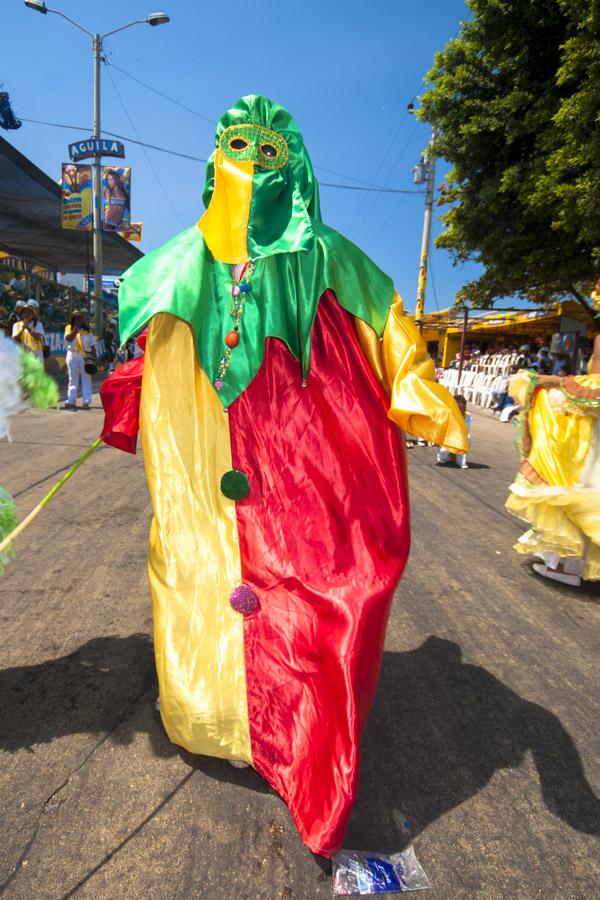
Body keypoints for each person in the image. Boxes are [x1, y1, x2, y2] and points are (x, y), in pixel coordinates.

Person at [97, 95, 468, 859]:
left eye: (270, 154)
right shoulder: (177, 262)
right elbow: (148, 342)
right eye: (239, 146)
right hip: (202, 462)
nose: (252, 166)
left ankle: (295, 734)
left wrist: (420, 392)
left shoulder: (328, 257)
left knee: (320, 585)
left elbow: (387, 324)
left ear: (294, 170)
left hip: (299, 452)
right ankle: (217, 717)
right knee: (199, 576)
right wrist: (130, 397)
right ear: (214, 160)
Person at [506, 334, 600, 586]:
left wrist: (553, 382)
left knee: (570, 490)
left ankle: (565, 566)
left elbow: (594, 386)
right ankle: (569, 565)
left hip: (588, 436)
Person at [64, 310, 96, 410]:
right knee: (72, 379)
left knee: (86, 378)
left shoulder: (87, 330)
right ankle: (71, 401)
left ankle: (86, 401)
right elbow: (68, 339)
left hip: (84, 356)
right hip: (72, 354)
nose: (80, 320)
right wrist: (76, 329)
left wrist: (94, 357)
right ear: (73, 319)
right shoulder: (69, 328)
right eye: (77, 318)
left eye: (81, 318)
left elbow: (92, 345)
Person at [437, 394, 472, 468]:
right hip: (448, 435)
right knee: (443, 456)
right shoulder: (448, 414)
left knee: (467, 438)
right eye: (459, 409)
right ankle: (446, 456)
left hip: (460, 436)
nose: (462, 411)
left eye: (463, 409)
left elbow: (466, 429)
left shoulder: (468, 416)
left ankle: (461, 461)